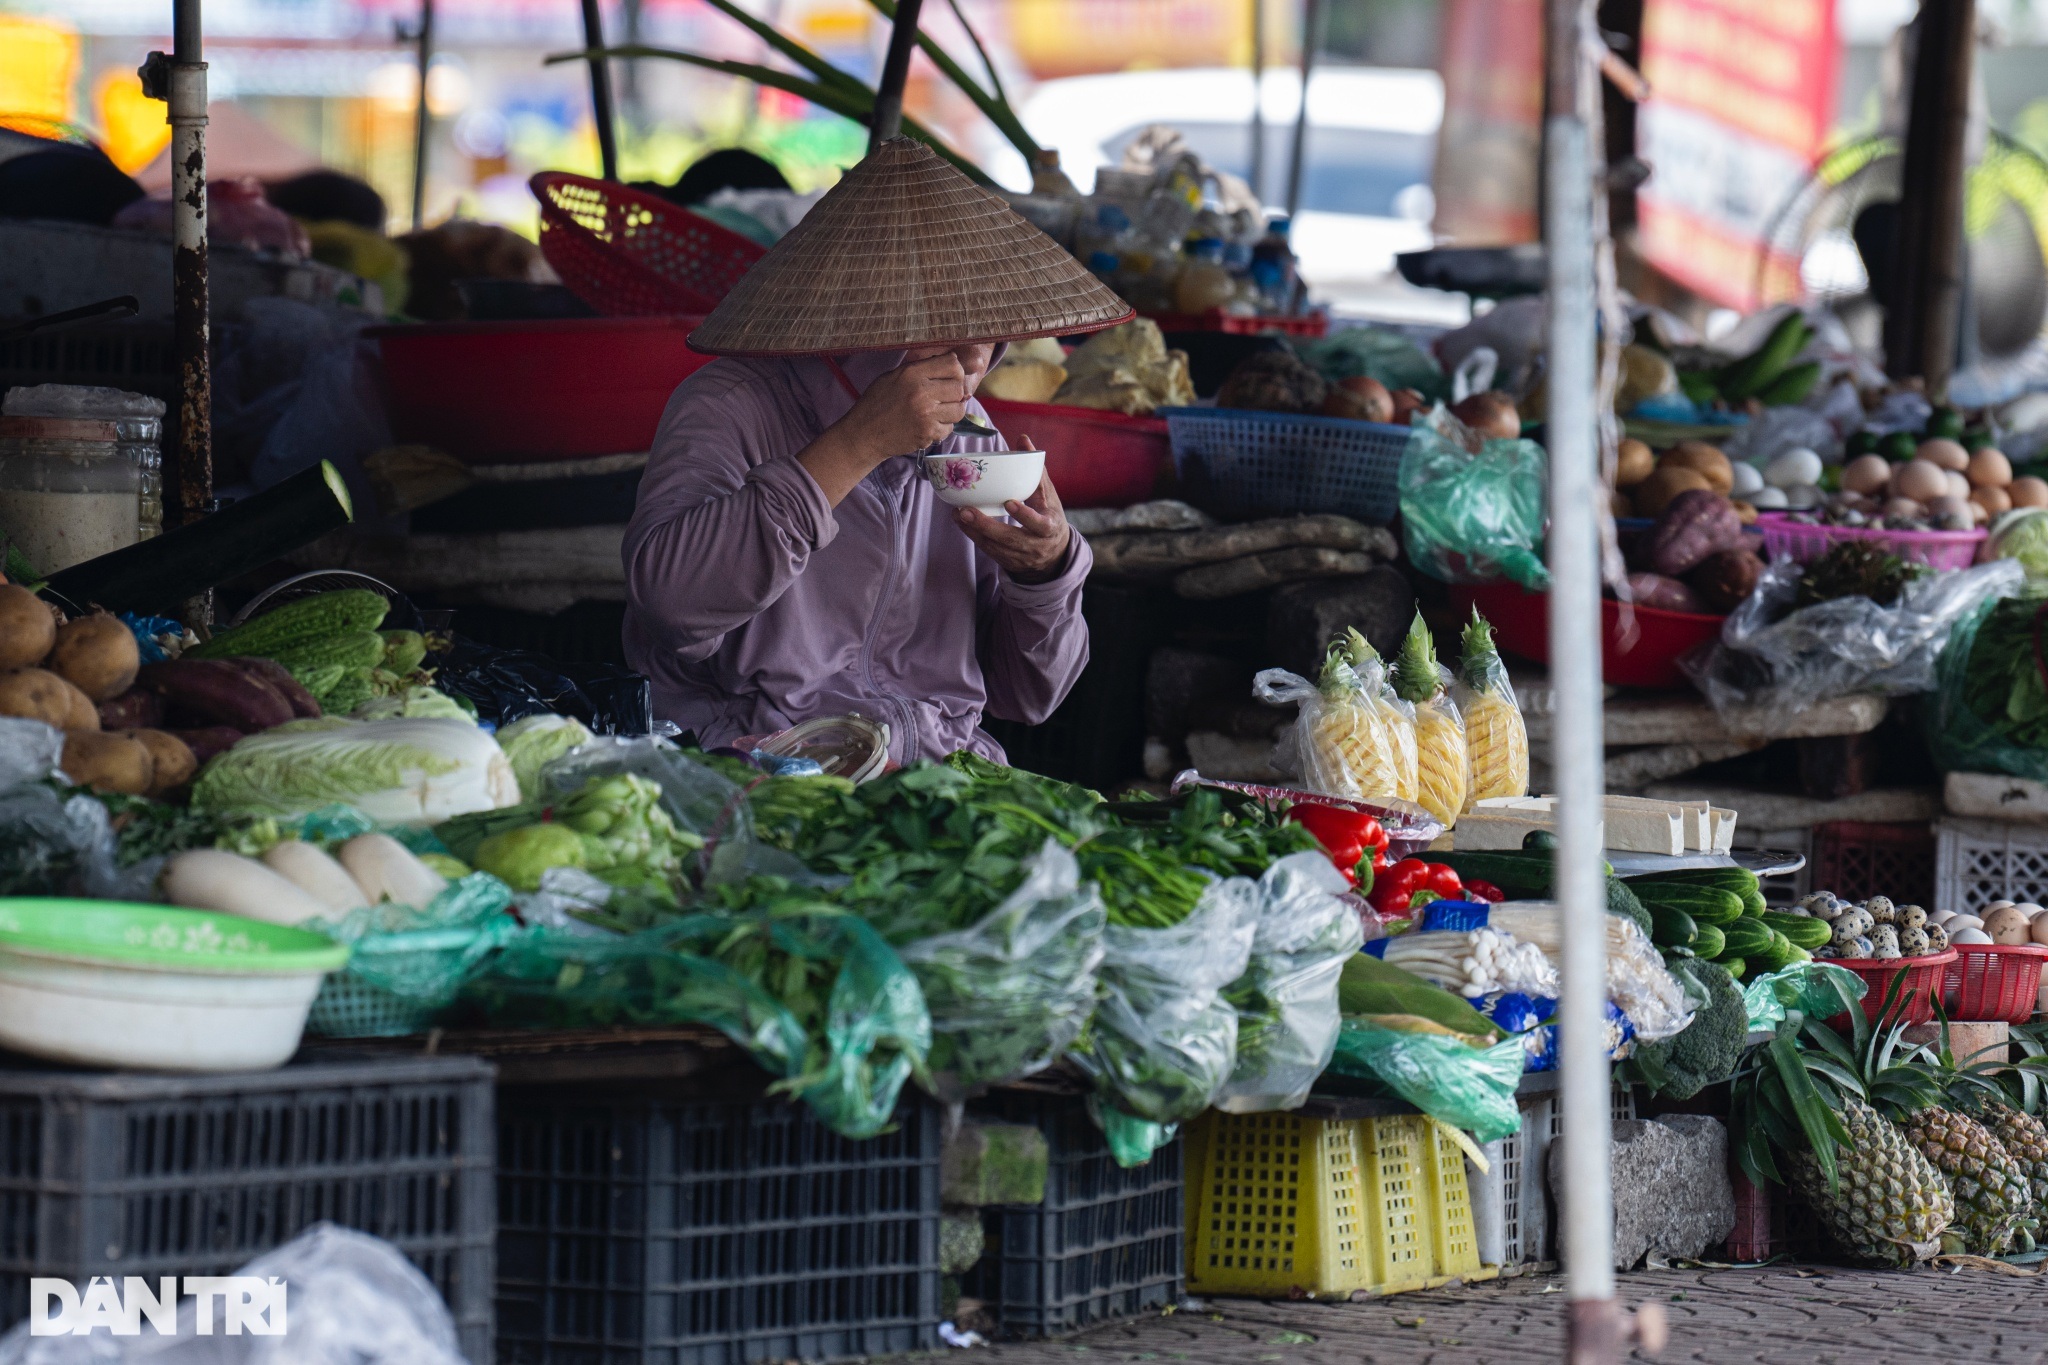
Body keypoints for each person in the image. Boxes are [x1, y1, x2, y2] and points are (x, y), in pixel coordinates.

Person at [623, 136, 1134, 763]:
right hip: (764, 767)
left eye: (994, 330)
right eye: (944, 326)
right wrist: (859, 442)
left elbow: (1028, 697)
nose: (975, 360)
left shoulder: (973, 435)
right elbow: (671, 608)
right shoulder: (731, 404)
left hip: (938, 776)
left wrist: (1046, 573)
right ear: (858, 323)